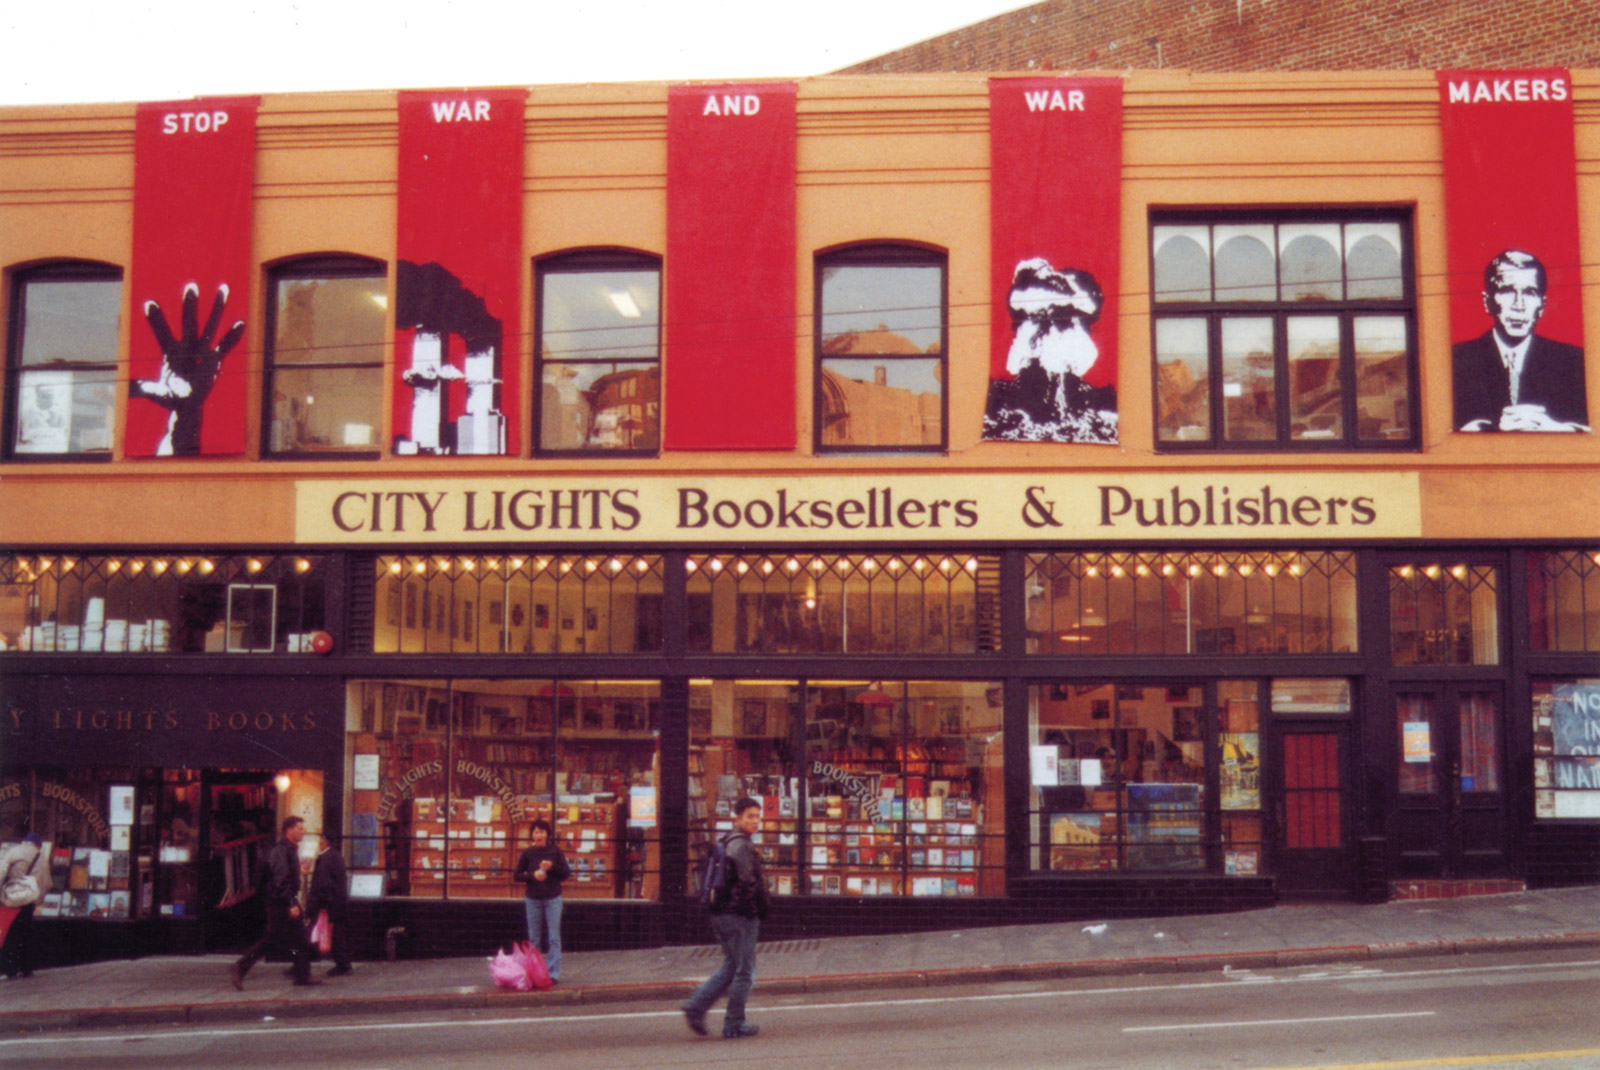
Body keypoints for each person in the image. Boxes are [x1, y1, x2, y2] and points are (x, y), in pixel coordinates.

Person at [983, 257, 1118, 443]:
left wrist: (1065, 298)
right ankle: (1043, 410)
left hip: (1061, 341)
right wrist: (1058, 304)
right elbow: (1019, 303)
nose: (1047, 273)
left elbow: (1087, 306)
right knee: (1041, 375)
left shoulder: (1064, 287)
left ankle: (1062, 409)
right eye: (1041, 270)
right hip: (1038, 343)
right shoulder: (1025, 294)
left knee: (1060, 376)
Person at [1452, 249, 1590, 432]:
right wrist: (1493, 428)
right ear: (1487, 302)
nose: (1519, 305)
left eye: (1530, 293)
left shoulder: (1573, 361)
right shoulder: (1456, 360)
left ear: (1542, 305)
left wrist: (1556, 429)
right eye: (1508, 291)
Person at [681, 796, 768, 1040]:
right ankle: (734, 1024)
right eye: (750, 816)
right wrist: (753, 911)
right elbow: (747, 883)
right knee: (745, 971)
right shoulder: (742, 846)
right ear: (737, 818)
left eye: (758, 816)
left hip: (721, 913)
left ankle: (696, 1007)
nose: (755, 821)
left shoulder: (727, 841)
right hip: (738, 916)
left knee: (731, 965)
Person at [231, 816, 317, 989]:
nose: (302, 831)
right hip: (280, 902)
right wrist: (292, 903)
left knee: (300, 937)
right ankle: (241, 966)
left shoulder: (288, 849)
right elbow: (280, 881)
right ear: (289, 830)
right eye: (299, 828)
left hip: (283, 900)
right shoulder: (281, 850)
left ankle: (302, 975)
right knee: (273, 938)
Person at [512, 819, 570, 983]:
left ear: (547, 834)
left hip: (553, 898)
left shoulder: (555, 851)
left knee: (554, 937)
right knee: (534, 938)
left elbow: (566, 873)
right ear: (532, 835)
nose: (539, 835)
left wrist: (552, 867)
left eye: (542, 831)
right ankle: (533, 973)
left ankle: (553, 974)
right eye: (536, 832)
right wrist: (532, 876)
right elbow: (517, 875)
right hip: (533, 900)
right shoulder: (527, 853)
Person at [1, 833, 50, 980]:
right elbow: (46, 883)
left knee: (9, 934)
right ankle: (27, 969)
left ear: (25, 842)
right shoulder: (42, 858)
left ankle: (10, 971)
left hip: (11, 899)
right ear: (39, 845)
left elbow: (1, 872)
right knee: (26, 934)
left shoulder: (14, 852)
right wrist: (37, 900)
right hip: (28, 901)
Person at [306, 832, 352, 977]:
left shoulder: (327, 858)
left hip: (329, 905)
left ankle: (343, 965)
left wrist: (322, 905)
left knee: (332, 935)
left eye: (320, 839)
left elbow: (323, 884)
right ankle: (342, 964)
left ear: (325, 841)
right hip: (334, 904)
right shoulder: (333, 856)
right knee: (334, 934)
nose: (318, 842)